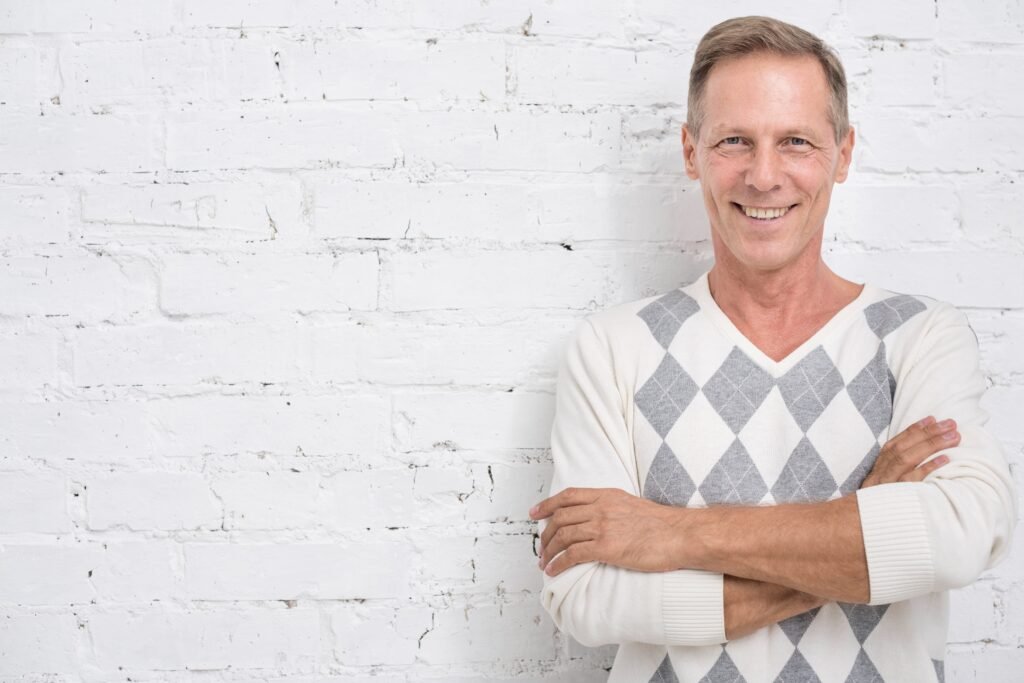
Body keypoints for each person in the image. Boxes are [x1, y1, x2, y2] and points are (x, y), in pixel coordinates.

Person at [528, 15, 1018, 683]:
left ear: (842, 154)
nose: (764, 175)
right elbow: (582, 594)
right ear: (691, 151)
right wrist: (863, 527)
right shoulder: (615, 347)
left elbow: (959, 534)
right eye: (734, 140)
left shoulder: (919, 335)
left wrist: (670, 533)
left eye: (796, 141)